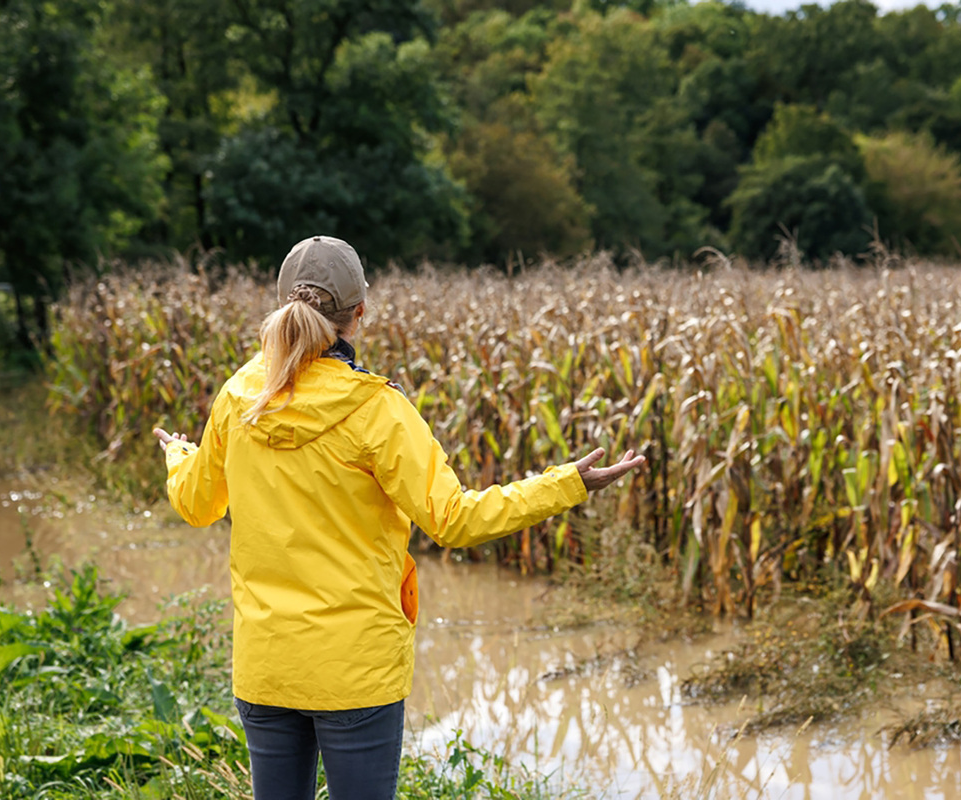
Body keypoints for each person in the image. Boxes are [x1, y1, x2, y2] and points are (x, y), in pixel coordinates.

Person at [152, 235, 645, 800]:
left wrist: (179, 453)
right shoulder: (376, 409)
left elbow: (196, 504)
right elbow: (455, 520)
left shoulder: (239, 396)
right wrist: (569, 483)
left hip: (266, 665)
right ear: (358, 313)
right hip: (356, 671)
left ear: (283, 304)